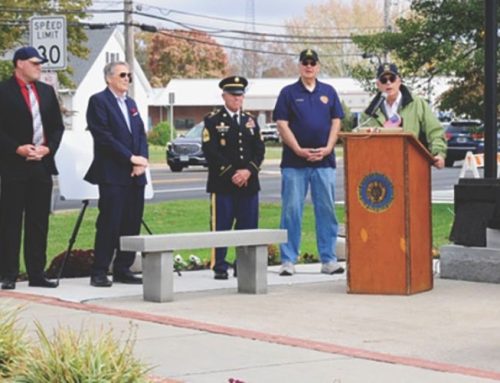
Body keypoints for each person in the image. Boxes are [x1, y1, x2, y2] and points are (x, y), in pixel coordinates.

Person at [273, 49, 345, 276]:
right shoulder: (288, 93)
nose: (309, 66)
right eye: (305, 62)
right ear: (299, 66)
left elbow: (336, 122)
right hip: (295, 163)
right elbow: (282, 124)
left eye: (313, 63)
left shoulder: (329, 92)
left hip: (324, 163)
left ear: (318, 66)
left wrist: (329, 148)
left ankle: (329, 259)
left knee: (326, 210)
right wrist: (297, 149)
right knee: (291, 210)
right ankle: (288, 260)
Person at [0, 46, 64, 290]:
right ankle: (8, 274)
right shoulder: (3, 91)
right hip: (14, 165)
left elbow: (57, 128)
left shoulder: (47, 92)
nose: (39, 67)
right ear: (19, 64)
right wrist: (16, 148)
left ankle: (37, 273)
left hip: (41, 165)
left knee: (38, 222)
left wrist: (48, 149)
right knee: (10, 220)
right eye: (35, 63)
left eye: (40, 63)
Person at [85, 61, 149, 287]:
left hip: (135, 174)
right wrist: (130, 158)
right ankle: (100, 271)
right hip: (113, 173)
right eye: (122, 75)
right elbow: (103, 137)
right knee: (109, 223)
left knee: (131, 222)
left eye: (129, 75)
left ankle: (124, 268)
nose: (127, 79)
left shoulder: (130, 103)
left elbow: (140, 133)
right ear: (108, 78)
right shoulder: (98, 102)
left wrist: (141, 161)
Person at [202, 76, 265, 280]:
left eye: (240, 95)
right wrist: (232, 173)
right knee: (221, 225)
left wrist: (248, 171)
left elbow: (259, 150)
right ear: (224, 96)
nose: (237, 99)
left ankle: (243, 265)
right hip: (223, 184)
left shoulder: (250, 121)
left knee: (248, 226)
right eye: (233, 95)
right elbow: (211, 152)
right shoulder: (213, 121)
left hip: (249, 184)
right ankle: (219, 265)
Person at [362, 63, 447, 168]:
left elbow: (435, 131)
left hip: (413, 164)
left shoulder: (417, 104)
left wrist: (438, 153)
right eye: (384, 80)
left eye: (392, 79)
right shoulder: (370, 112)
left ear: (399, 81)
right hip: (381, 167)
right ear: (378, 84)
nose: (388, 83)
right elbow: (362, 141)